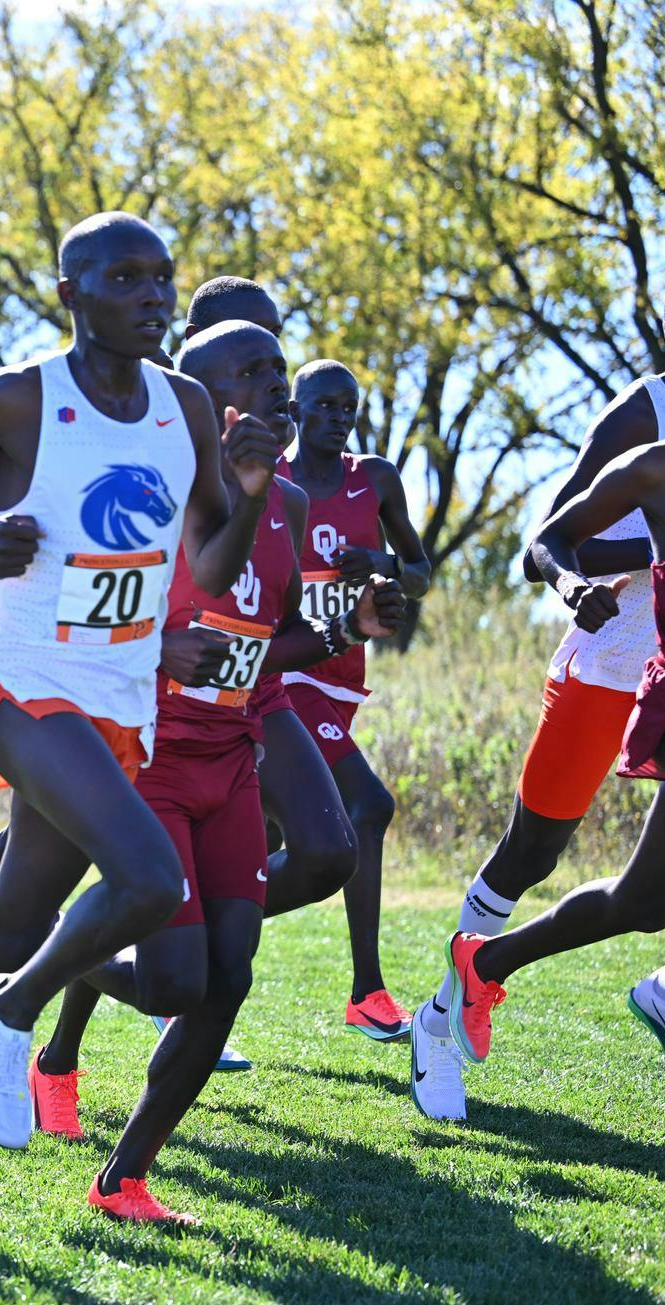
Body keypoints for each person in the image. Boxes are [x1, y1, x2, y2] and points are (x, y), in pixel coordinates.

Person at [0, 213, 281, 1236]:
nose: (150, 294)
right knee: (146, 879)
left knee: (6, 931)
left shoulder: (182, 405)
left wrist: (253, 494)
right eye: (124, 277)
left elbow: (208, 560)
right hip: (22, 686)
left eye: (160, 278)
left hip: (119, 695)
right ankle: (10, 1009)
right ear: (70, 292)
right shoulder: (18, 398)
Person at [0, 277, 364, 1076]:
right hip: (65, 683)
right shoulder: (100, 424)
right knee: (83, 876)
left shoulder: (268, 491)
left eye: (278, 358)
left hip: (226, 709)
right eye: (251, 363)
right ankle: (7, 1000)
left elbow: (226, 592)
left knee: (291, 870)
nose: (276, 384)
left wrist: (343, 624)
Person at [412, 277, 665, 1115]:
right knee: (532, 850)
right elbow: (546, 541)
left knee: (644, 902)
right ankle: (440, 1014)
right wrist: (647, 548)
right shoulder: (650, 438)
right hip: (628, 672)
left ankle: (486, 969)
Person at [275, 360, 432, 1038]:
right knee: (369, 806)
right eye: (327, 405)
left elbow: (420, 571)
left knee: (259, 842)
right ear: (297, 408)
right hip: (287, 679)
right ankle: (368, 990)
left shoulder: (376, 477)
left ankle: (177, 944)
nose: (341, 418)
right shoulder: (270, 482)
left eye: (350, 407)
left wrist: (385, 563)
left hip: (342, 682)